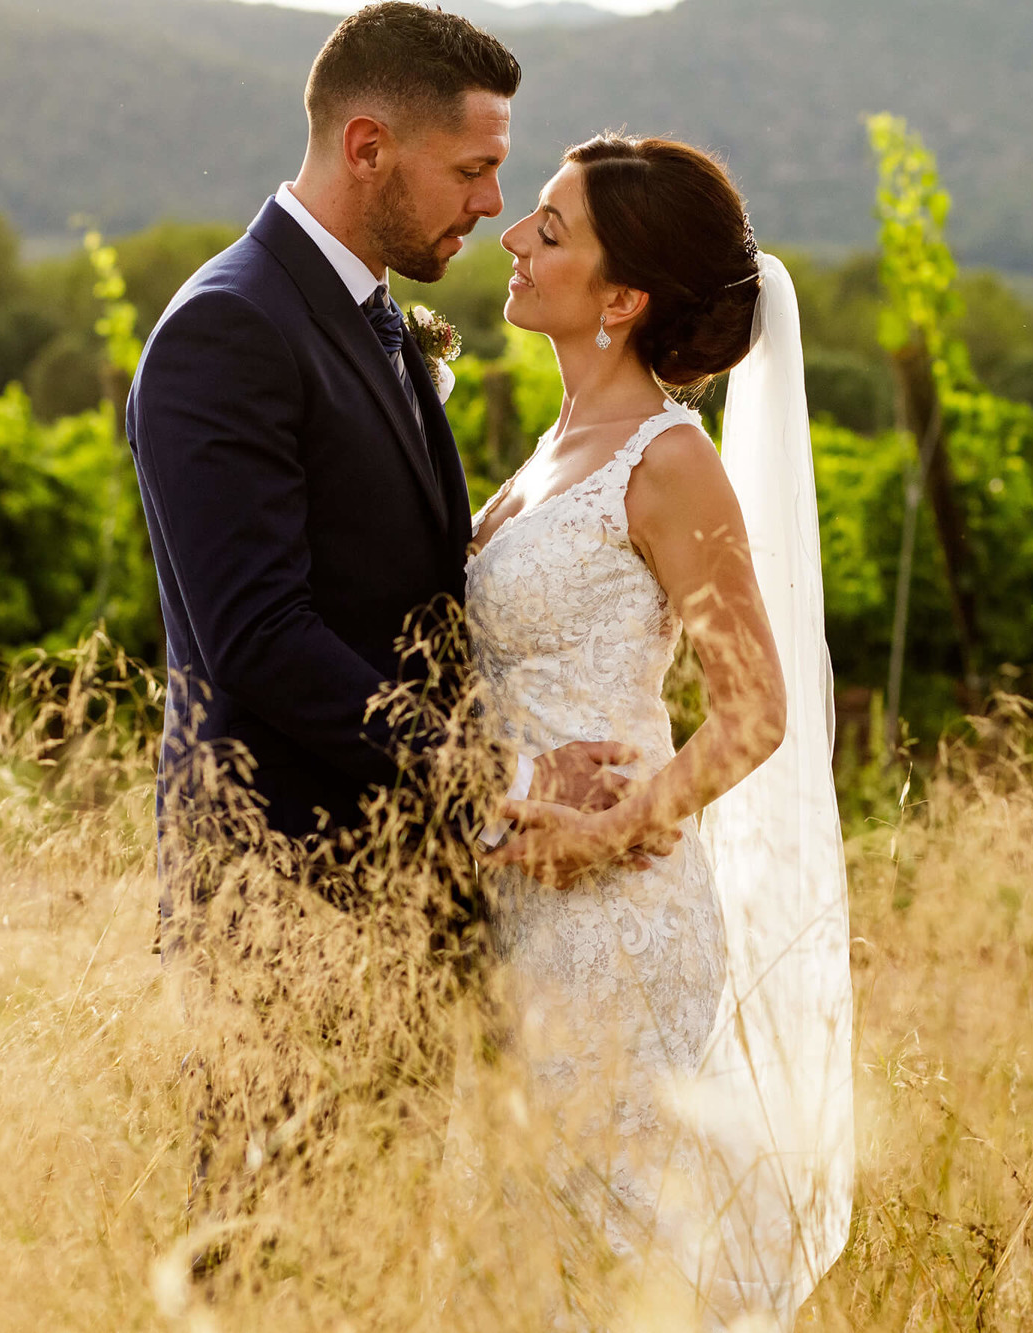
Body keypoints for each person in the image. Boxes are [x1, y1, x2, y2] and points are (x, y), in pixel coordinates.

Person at [125, 4, 643, 922]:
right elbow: (262, 638)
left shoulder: (377, 316)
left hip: (424, 895)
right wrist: (512, 775)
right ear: (367, 147)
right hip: (286, 902)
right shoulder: (229, 328)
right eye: (473, 171)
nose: (493, 206)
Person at [471, 135, 853, 1327]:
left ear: (623, 298)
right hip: (513, 893)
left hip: (614, 918)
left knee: (626, 1251)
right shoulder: (549, 452)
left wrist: (617, 828)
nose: (511, 241)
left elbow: (756, 711)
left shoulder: (670, 462)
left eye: (547, 228)